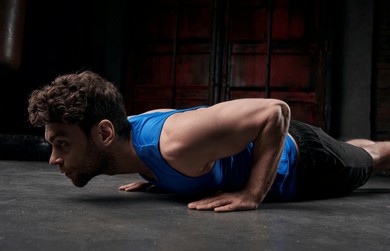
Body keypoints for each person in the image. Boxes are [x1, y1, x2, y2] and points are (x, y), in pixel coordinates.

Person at [27, 71, 390, 212]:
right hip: (283, 142)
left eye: (62, 144)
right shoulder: (131, 142)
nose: (54, 159)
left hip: (307, 163)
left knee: (373, 157)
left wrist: (251, 194)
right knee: (357, 145)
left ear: (104, 134)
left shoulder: (174, 144)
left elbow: (274, 111)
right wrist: (154, 173)